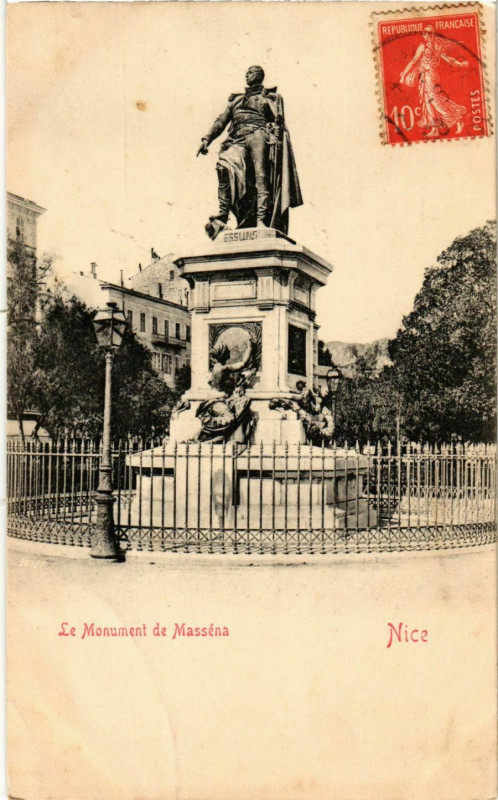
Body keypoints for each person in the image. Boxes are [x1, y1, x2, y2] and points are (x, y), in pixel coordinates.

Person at [197, 65, 302, 239]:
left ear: (260, 76)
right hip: (236, 138)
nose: (247, 75)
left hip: (258, 134)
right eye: (246, 73)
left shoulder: (269, 97)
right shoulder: (236, 100)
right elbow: (221, 121)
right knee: (222, 167)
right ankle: (223, 215)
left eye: (251, 72)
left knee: (261, 177)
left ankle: (261, 220)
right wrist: (206, 139)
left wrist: (276, 131)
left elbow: (279, 122)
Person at [400, 26, 468, 138]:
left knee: (435, 101)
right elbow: (413, 61)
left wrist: (460, 64)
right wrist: (404, 75)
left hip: (430, 75)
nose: (427, 35)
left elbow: (448, 59)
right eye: (426, 33)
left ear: (433, 34)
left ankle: (457, 119)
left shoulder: (436, 47)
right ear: (424, 35)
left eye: (429, 33)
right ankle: (434, 128)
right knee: (428, 102)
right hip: (424, 76)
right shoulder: (425, 47)